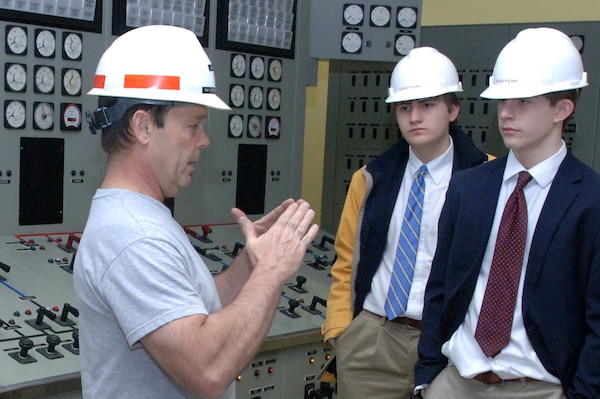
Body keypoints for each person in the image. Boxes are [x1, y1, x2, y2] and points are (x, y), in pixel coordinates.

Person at [73, 25, 319, 399]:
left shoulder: (145, 216)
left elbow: (197, 305)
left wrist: (252, 264)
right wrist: (271, 272)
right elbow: (205, 370)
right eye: (193, 125)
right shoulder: (133, 235)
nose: (204, 140)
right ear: (143, 126)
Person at [415, 27, 600, 399]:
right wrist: (427, 378)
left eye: (523, 101)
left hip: (539, 388)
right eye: (502, 100)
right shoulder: (469, 188)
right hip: (456, 383)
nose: (507, 113)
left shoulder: (591, 200)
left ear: (562, 109)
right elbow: (439, 290)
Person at [321, 47, 489, 399]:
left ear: (453, 109)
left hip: (448, 343)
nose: (414, 117)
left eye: (427, 105)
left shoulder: (487, 179)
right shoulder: (370, 179)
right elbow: (346, 261)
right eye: (404, 107)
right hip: (373, 339)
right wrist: (341, 330)